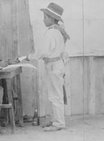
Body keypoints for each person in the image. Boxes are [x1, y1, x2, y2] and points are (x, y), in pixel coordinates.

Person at [24, 2, 70, 131]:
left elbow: (42, 51)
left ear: (51, 18)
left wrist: (29, 57)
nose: (43, 20)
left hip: (54, 66)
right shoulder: (57, 31)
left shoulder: (52, 33)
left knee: (56, 95)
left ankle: (59, 123)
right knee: (54, 94)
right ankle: (56, 120)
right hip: (55, 65)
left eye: (45, 17)